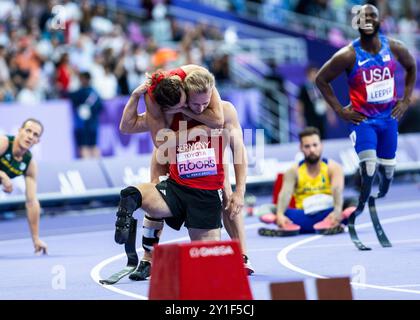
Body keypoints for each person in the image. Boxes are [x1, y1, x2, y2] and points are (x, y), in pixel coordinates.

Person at [117, 68, 253, 279]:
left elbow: (238, 150)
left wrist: (240, 190)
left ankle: (242, 255)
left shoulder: (224, 111)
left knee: (228, 196)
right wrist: (137, 96)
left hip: (211, 168)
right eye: (193, 104)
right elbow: (131, 128)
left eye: (205, 104)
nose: (199, 109)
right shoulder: (168, 110)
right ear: (185, 97)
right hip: (169, 160)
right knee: (154, 192)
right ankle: (148, 258)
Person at [315, 4, 416, 219]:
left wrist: (406, 100)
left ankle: (380, 194)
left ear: (380, 21)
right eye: (362, 17)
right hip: (363, 120)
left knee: (388, 170)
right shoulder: (348, 55)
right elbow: (321, 80)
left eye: (372, 16)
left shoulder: (395, 47)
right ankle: (361, 204)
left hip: (388, 118)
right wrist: (340, 111)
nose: (367, 20)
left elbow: (411, 67)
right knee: (369, 165)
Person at [260, 127, 353, 236]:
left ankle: (289, 227)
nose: (312, 150)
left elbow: (337, 190)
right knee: (266, 208)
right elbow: (285, 194)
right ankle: (284, 222)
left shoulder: (334, 168)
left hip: (328, 214)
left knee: (352, 202)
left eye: (315, 145)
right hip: (302, 216)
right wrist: (280, 214)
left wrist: (337, 211)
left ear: (321, 145)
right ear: (301, 148)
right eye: (307, 146)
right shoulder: (293, 171)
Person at [0, 119, 48, 254]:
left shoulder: (30, 164)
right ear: (19, 131)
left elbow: (31, 202)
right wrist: (3, 175)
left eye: (35, 134)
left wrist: (36, 239)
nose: (30, 136)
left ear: (37, 141)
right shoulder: (4, 143)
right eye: (28, 131)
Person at [69, 71, 103, 159]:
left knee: (84, 147)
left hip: (83, 126)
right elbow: (101, 107)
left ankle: (88, 168)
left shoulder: (79, 93)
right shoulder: (95, 92)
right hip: (93, 124)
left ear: (84, 79)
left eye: (80, 79)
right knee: (94, 145)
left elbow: (69, 96)